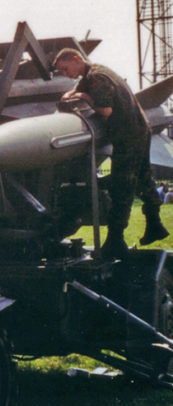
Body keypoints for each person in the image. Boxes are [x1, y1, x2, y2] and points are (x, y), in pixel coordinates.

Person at [53, 48, 169, 258]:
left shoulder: (97, 77)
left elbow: (106, 110)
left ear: (76, 59)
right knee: (144, 180)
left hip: (128, 135)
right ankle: (155, 224)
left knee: (121, 186)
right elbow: (74, 92)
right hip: (138, 130)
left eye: (65, 68)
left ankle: (116, 240)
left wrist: (83, 96)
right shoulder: (93, 74)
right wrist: (71, 95)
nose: (65, 73)